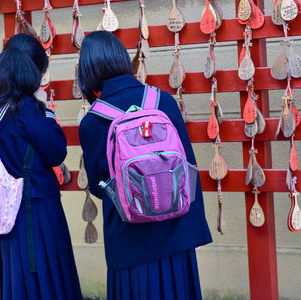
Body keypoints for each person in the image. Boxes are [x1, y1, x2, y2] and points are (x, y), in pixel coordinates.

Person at [78, 31, 213, 300]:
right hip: (176, 233)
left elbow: (98, 187)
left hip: (130, 242)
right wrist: (195, 228)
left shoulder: (92, 121)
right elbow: (188, 165)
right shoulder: (162, 101)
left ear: (87, 70)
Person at [0, 34, 82, 299]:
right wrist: (45, 108)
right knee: (44, 283)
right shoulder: (27, 110)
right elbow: (56, 151)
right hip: (35, 212)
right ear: (34, 73)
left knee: (8, 285)